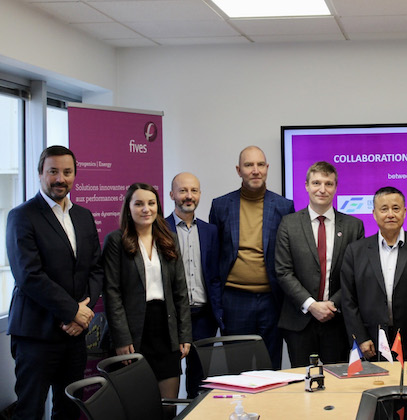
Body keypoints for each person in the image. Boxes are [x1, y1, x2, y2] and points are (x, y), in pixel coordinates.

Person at [6, 145, 103, 420]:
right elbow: (28, 275)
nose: (60, 179)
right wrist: (73, 311)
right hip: (36, 334)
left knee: (70, 410)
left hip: (74, 335)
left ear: (75, 175)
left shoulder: (83, 216)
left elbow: (96, 269)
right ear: (40, 173)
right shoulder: (22, 216)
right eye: (53, 172)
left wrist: (82, 313)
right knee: (30, 411)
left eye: (67, 172)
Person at [102, 183, 192, 419]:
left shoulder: (168, 239)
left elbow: (180, 292)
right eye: (139, 204)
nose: (146, 209)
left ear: (158, 207)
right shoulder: (116, 241)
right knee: (136, 409)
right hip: (133, 333)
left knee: (167, 407)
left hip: (166, 331)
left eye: (151, 203)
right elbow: (112, 293)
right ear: (128, 208)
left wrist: (184, 335)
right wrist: (122, 338)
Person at [209, 146, 294, 369]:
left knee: (271, 368)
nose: (255, 170)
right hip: (234, 300)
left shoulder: (284, 206)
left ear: (267, 168)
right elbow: (214, 257)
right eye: (249, 165)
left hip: (272, 300)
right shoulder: (220, 206)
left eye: (260, 165)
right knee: (237, 368)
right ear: (239, 170)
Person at [276, 162, 365, 367]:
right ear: (306, 186)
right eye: (316, 183)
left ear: (336, 187)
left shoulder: (354, 226)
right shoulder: (288, 224)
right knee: (302, 381)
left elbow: (355, 275)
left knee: (339, 381)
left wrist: (332, 305)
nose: (322, 189)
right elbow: (283, 272)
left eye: (328, 184)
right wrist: (311, 305)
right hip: (299, 321)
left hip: (338, 321)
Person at [341, 187, 407, 362]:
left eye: (396, 208)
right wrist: (360, 337)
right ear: (374, 214)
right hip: (371, 341)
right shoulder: (356, 251)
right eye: (384, 209)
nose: (390, 214)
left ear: (404, 212)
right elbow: (348, 299)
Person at [166, 172, 223, 398]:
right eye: (183, 191)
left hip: (203, 317)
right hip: (171, 317)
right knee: (170, 374)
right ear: (172, 194)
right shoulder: (160, 229)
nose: (189, 196)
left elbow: (215, 275)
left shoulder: (210, 231)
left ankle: (195, 412)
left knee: (199, 380)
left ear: (200, 194)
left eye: (194, 191)